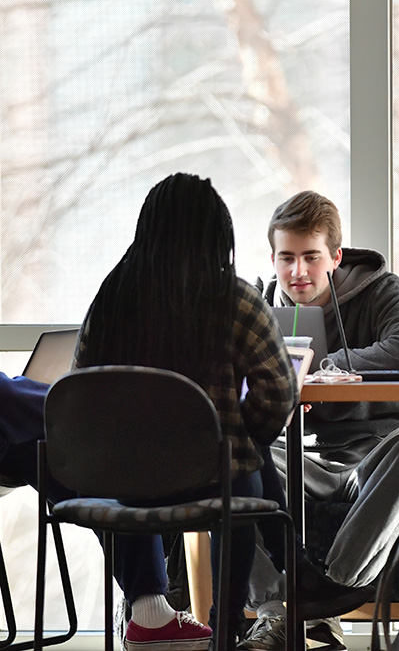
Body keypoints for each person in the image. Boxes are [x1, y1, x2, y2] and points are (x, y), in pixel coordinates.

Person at [72, 174, 299, 648]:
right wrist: (244, 434)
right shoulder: (236, 298)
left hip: (122, 485)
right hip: (215, 481)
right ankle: (229, 619)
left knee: (138, 471)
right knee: (247, 471)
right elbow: (278, 397)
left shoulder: (108, 303)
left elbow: (82, 399)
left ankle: (148, 612)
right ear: (217, 237)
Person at [240, 190, 399, 651]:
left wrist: (318, 369)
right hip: (307, 457)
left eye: (311, 257)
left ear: (336, 257)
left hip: (378, 455)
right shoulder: (263, 305)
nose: (298, 272)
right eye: (286, 258)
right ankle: (277, 611)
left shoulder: (382, 289)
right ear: (272, 257)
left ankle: (334, 589)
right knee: (228, 457)